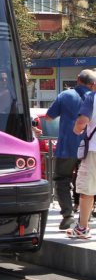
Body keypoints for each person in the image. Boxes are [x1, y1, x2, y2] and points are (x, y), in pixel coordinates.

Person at [45, 69, 94, 230]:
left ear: (77, 79)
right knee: (89, 180)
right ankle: (87, 215)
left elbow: (49, 116)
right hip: (89, 147)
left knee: (62, 180)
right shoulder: (93, 98)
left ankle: (68, 216)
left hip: (68, 146)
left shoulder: (66, 95)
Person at [68, 74, 96, 239]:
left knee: (87, 190)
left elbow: (81, 123)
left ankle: (82, 228)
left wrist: (76, 130)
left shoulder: (92, 98)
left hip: (94, 150)